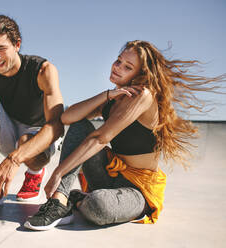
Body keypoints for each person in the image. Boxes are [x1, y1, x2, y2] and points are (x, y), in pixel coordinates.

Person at [24, 40, 225, 230]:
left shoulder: (144, 96)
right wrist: (107, 95)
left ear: (141, 74)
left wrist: (58, 172)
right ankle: (60, 202)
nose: (118, 67)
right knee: (79, 125)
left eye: (128, 67)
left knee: (98, 206)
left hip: (138, 189)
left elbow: (100, 138)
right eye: (119, 61)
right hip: (110, 175)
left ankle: (80, 199)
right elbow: (68, 117)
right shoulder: (115, 97)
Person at [0, 15, 64, 211]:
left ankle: (35, 172)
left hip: (38, 135)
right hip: (6, 132)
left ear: (17, 44)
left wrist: (14, 159)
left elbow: (56, 126)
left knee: (25, 141)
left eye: (0, 49)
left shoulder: (42, 70)